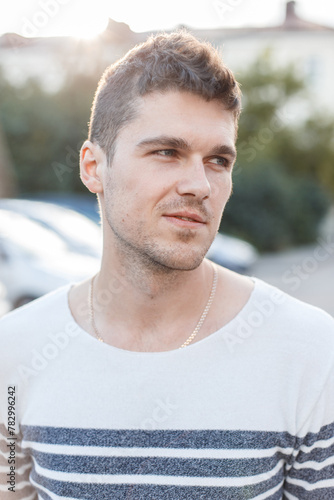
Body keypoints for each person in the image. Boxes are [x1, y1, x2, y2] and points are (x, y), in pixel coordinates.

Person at [1, 30, 334, 500]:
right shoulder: (15, 353)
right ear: (93, 167)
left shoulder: (311, 352)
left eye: (218, 160)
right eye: (167, 152)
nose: (199, 184)